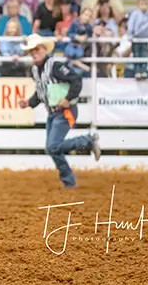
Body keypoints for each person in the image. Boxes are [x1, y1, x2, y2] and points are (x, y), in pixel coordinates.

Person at [18, 34, 100, 188]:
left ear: (44, 50)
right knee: (52, 148)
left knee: (53, 146)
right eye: (31, 51)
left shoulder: (55, 66)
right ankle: (69, 182)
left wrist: (68, 98)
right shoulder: (36, 70)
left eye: (36, 50)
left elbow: (76, 80)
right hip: (54, 113)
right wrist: (29, 102)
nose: (34, 54)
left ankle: (87, 141)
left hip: (66, 111)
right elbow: (41, 93)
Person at [126, 0, 148, 80]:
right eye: (142, 4)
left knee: (144, 55)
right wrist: (130, 35)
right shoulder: (135, 14)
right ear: (138, 5)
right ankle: (137, 72)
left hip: (145, 39)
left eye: (146, 4)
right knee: (136, 55)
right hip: (136, 38)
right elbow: (131, 25)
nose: (144, 6)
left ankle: (144, 71)